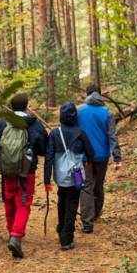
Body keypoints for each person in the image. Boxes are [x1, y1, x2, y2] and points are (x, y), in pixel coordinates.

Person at [0, 93, 48, 259]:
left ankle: (11, 233)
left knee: (9, 199)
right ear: (26, 106)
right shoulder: (33, 123)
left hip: (7, 171)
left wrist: (1, 162)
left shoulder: (2, 122)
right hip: (26, 171)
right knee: (23, 202)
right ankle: (16, 236)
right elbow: (43, 148)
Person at [44, 102, 94, 250]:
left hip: (60, 175)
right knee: (72, 203)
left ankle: (61, 229)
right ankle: (66, 238)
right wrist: (89, 162)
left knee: (62, 200)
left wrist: (47, 179)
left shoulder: (54, 133)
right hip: (76, 175)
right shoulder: (80, 133)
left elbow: (49, 157)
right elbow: (90, 153)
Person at [78, 84, 121, 234]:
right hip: (102, 156)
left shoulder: (79, 111)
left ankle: (87, 222)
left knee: (86, 187)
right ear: (100, 95)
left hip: (84, 157)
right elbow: (112, 135)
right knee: (98, 185)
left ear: (87, 94)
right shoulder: (107, 113)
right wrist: (117, 156)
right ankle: (95, 213)